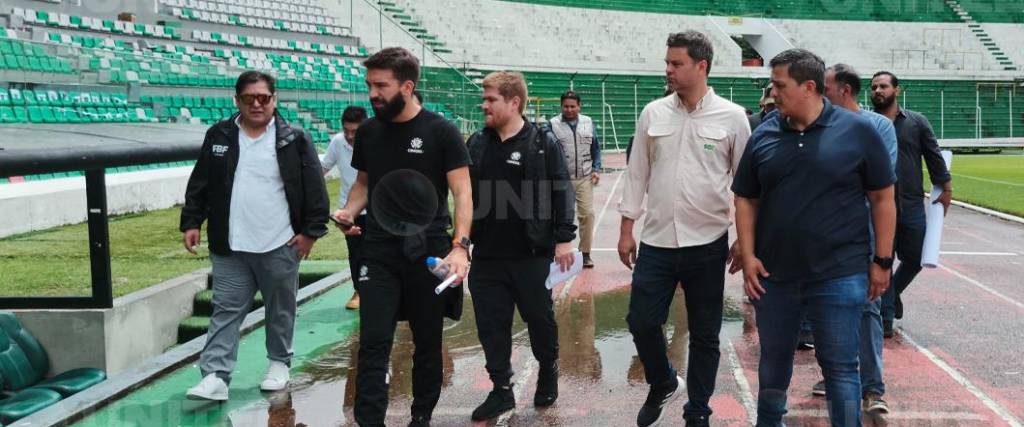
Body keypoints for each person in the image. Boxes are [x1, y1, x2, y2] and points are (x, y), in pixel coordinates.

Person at [732, 49, 896, 427]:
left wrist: (882, 261)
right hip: (775, 277)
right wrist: (750, 254)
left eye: (779, 85)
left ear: (809, 87)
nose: (772, 94)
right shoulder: (765, 133)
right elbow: (745, 197)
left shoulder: (858, 131)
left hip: (840, 274)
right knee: (773, 363)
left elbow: (883, 198)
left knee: (840, 367)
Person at [333, 47, 472, 427]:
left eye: (381, 85)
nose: (373, 93)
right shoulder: (370, 133)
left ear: (407, 86)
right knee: (374, 341)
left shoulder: (441, 132)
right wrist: (348, 210)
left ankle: (421, 417)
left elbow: (463, 193)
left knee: (426, 343)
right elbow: (362, 184)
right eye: (369, 85)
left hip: (428, 251)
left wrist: (460, 247)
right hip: (377, 249)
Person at [618, 31, 751, 427]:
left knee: (706, 333)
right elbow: (636, 173)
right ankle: (662, 382)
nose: (669, 70)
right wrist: (627, 229)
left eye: (676, 64)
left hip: (708, 243)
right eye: (668, 63)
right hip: (657, 240)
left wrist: (745, 238)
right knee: (641, 320)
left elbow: (745, 185)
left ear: (701, 66)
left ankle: (698, 411)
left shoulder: (733, 117)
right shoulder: (653, 113)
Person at [181, 71, 330, 401]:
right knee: (225, 309)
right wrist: (192, 222)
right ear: (237, 100)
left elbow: (314, 190)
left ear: (274, 99)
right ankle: (216, 376)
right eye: (249, 98)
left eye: (264, 97)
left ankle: (278, 363)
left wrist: (310, 233)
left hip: (278, 242)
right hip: (229, 244)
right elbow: (200, 183)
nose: (257, 104)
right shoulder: (219, 135)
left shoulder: (294, 139)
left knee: (280, 308)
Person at [464, 71, 577, 421]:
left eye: (490, 99)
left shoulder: (542, 143)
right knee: (490, 325)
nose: (484, 105)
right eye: (484, 98)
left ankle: (548, 367)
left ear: (514, 102)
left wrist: (563, 239)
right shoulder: (477, 143)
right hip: (486, 257)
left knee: (539, 319)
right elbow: (463, 195)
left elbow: (563, 189)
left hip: (531, 254)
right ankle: (501, 390)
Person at [819, 63, 898, 414]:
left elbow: (878, 187)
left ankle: (873, 388)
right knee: (826, 307)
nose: (820, 93)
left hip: (864, 232)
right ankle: (837, 374)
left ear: (844, 90)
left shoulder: (878, 126)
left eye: (825, 87)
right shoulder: (820, 124)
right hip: (827, 233)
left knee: (868, 308)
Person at [870, 70, 953, 337]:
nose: (878, 91)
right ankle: (884, 321)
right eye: (873, 87)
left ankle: (892, 297)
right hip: (880, 206)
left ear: (897, 90)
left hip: (911, 204)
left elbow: (933, 156)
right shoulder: (867, 123)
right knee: (883, 259)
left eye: (883, 86)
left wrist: (946, 186)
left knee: (915, 258)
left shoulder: (916, 122)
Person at [323, 106, 368, 310]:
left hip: (377, 209)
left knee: (379, 252)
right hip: (349, 210)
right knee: (355, 252)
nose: (349, 136)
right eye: (346, 130)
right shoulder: (338, 142)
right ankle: (359, 291)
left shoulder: (375, 141)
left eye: (355, 131)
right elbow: (323, 167)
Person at [550, 90, 602, 268]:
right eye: (566, 106)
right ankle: (554, 250)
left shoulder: (588, 122)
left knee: (587, 214)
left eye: (573, 106)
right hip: (561, 179)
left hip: (584, 177)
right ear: (561, 106)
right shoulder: (552, 125)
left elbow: (595, 148)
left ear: (579, 106)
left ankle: (585, 254)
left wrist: (596, 168)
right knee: (556, 216)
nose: (569, 109)